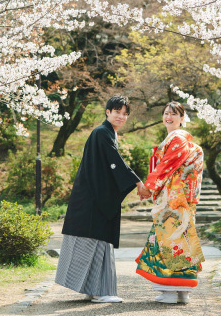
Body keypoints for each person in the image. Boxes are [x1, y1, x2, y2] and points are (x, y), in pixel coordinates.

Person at [56, 95, 152, 303]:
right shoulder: (101, 133)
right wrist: (138, 183)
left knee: (98, 242)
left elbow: (113, 163)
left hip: (94, 196)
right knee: (97, 242)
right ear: (108, 112)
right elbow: (115, 161)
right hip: (93, 199)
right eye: (117, 111)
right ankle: (101, 292)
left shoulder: (106, 133)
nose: (121, 116)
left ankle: (95, 289)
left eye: (125, 113)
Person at [135, 101, 205, 304]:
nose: (169, 117)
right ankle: (182, 291)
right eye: (166, 113)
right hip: (180, 198)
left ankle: (169, 290)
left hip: (173, 199)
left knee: (170, 241)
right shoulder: (179, 139)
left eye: (174, 114)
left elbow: (166, 165)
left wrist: (149, 186)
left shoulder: (177, 139)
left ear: (182, 118)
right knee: (183, 240)